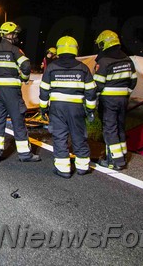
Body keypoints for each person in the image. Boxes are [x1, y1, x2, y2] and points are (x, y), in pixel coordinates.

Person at [0, 21, 40, 163]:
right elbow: (26, 65)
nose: (16, 36)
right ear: (9, 35)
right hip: (11, 92)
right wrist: (23, 77)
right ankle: (24, 155)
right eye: (15, 33)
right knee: (18, 122)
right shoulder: (15, 50)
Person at [39, 36, 97, 178]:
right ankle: (83, 167)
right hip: (76, 107)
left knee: (59, 136)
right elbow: (91, 91)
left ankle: (63, 169)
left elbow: (44, 90)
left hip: (57, 108)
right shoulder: (83, 68)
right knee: (78, 136)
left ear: (59, 49)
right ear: (75, 49)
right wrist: (90, 110)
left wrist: (43, 108)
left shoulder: (51, 67)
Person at [94, 30, 138, 170]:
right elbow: (133, 80)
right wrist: (125, 94)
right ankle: (122, 155)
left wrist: (93, 100)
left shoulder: (104, 61)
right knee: (120, 127)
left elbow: (98, 85)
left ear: (105, 44)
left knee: (110, 129)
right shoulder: (127, 60)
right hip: (123, 100)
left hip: (109, 101)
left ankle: (115, 161)